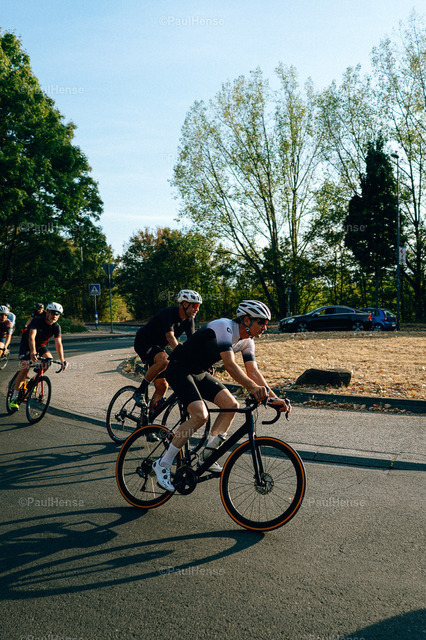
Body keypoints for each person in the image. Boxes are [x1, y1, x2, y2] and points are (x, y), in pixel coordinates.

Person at [153, 300, 291, 492]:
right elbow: (230, 365)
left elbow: (253, 372)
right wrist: (253, 388)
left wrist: (274, 399)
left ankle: (207, 456)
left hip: (198, 372)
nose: (265, 327)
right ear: (246, 320)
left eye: (266, 323)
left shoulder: (247, 341)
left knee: (231, 405)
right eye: (262, 322)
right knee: (200, 416)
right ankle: (163, 464)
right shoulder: (224, 326)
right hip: (178, 368)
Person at [132, 289, 202, 418]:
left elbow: (193, 342)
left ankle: (148, 420)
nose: (197, 309)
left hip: (158, 347)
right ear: (184, 304)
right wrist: (181, 355)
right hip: (143, 342)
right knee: (164, 359)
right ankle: (140, 391)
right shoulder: (169, 313)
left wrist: (202, 361)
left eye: (198, 306)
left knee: (162, 386)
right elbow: (170, 337)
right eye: (195, 305)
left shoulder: (189, 320)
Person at [9, 302, 68, 410]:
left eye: (57, 314)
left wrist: (62, 360)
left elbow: (58, 343)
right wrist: (33, 352)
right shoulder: (37, 320)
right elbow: (31, 337)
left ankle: (34, 381)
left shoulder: (56, 326)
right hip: (27, 345)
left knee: (49, 361)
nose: (54, 316)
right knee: (25, 367)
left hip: (40, 346)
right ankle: (14, 397)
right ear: (47, 312)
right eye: (52, 313)